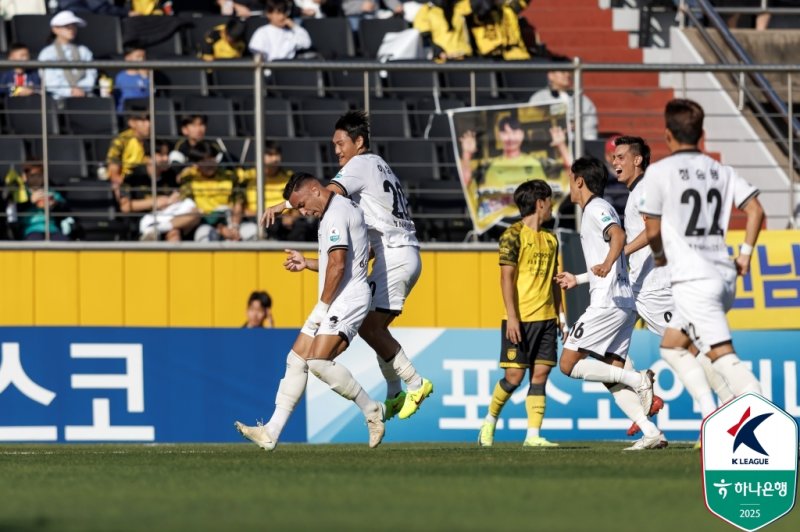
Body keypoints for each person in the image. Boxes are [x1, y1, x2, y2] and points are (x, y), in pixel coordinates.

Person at [263, 110, 433, 421]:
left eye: (341, 143)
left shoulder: (358, 165)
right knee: (374, 327)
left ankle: (414, 383)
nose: (337, 151)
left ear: (359, 142)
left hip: (394, 253)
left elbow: (325, 194)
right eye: (334, 144)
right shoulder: (380, 164)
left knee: (368, 327)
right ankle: (395, 391)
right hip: (399, 252)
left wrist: (284, 204)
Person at [235, 172, 387, 450]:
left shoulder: (335, 214)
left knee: (317, 362)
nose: (304, 212)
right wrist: (306, 262)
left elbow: (339, 267)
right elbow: (340, 261)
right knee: (296, 359)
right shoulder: (335, 207)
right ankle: (271, 431)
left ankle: (372, 410)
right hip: (337, 297)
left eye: (303, 205)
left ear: (316, 191)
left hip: (347, 298)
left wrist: (323, 307)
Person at [641, 98, 764, 400]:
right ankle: (713, 413)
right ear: (701, 133)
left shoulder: (658, 172)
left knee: (723, 356)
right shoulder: (722, 171)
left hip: (694, 280)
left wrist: (658, 257)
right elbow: (756, 211)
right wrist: (745, 253)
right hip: (723, 275)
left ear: (668, 134)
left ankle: (764, 416)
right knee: (672, 346)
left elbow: (652, 230)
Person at [613, 135, 731, 440]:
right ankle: (644, 393)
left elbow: (658, 231)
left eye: (622, 156)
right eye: (614, 157)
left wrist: (623, 251)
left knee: (690, 348)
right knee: (610, 350)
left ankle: (727, 410)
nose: (616, 162)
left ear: (638, 160)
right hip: (639, 290)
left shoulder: (643, 191)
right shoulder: (639, 191)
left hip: (657, 288)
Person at [554, 156, 664, 451]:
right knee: (611, 373)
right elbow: (609, 260)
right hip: (622, 300)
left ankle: (638, 378)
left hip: (607, 303)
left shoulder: (596, 209)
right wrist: (578, 279)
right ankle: (651, 431)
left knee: (567, 364)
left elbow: (618, 236)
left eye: (570, 181)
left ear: (579, 181)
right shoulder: (597, 210)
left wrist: (605, 261)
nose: (569, 187)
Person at [478, 179, 566, 448]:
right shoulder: (512, 235)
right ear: (540, 203)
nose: (552, 206)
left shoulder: (551, 240)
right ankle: (489, 422)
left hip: (547, 319)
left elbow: (554, 280)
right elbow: (506, 278)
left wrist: (561, 316)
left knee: (540, 376)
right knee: (513, 378)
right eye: (549, 201)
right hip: (520, 319)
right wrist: (512, 317)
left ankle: (533, 435)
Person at [459, 115, 570, 221]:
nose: (510, 137)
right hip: (498, 223)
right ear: (498, 135)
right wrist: (467, 154)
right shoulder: (487, 166)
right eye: (505, 132)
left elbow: (571, 175)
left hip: (536, 221)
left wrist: (561, 145)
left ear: (522, 134)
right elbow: (465, 182)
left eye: (514, 132)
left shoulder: (540, 162)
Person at [237, 141, 315, 241]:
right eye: (270, 154)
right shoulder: (246, 177)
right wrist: (264, 216)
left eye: (277, 154)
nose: (275, 159)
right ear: (260, 156)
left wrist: (292, 216)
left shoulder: (289, 177)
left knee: (303, 228)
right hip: (257, 221)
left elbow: (300, 202)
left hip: (285, 222)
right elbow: (240, 206)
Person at [178, 140, 253, 242]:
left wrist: (234, 227)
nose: (209, 164)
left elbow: (238, 203)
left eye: (211, 159)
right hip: (205, 223)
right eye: (204, 161)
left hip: (231, 222)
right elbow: (189, 206)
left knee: (252, 231)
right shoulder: (189, 179)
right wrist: (220, 229)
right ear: (196, 164)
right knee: (203, 235)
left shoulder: (230, 176)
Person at [529, 56, 598, 141]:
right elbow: (533, 129)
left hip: (578, 149)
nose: (567, 74)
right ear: (551, 75)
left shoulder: (584, 101)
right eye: (562, 71)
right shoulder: (538, 99)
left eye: (569, 71)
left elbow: (590, 136)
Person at [38, 10, 98, 99]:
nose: (72, 29)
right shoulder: (47, 53)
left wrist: (81, 89)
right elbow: (49, 80)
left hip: (84, 97)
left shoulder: (84, 51)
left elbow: (91, 74)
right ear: (55, 29)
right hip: (58, 100)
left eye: (74, 26)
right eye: (67, 26)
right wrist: (70, 91)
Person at [4, 163, 68, 241]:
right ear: (25, 176)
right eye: (33, 175)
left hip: (53, 229)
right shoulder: (20, 193)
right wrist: (30, 201)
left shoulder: (51, 192)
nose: (36, 178)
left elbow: (65, 209)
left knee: (64, 244)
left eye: (39, 175)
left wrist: (54, 204)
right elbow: (13, 213)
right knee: (35, 243)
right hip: (31, 229)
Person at [247, 0, 312, 63]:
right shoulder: (262, 32)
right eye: (278, 13)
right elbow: (258, 54)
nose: (282, 17)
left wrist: (294, 26)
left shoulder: (290, 33)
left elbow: (306, 43)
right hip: (268, 70)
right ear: (269, 14)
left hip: (287, 70)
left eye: (284, 13)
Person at [114, 46, 149, 114]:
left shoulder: (147, 76)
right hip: (124, 112)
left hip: (143, 111)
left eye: (143, 57)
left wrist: (145, 77)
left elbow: (150, 94)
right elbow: (117, 96)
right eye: (138, 56)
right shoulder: (120, 77)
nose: (141, 59)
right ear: (128, 57)